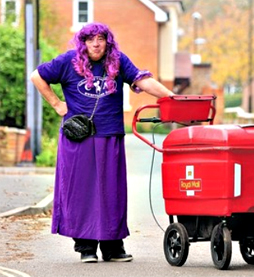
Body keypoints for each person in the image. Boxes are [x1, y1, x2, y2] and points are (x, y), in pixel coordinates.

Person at [30, 22, 174, 263]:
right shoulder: (67, 61)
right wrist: (57, 104)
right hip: (78, 139)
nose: (96, 44)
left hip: (109, 135)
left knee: (111, 192)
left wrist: (173, 97)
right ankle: (85, 247)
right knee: (81, 192)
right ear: (83, 42)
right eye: (90, 39)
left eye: (100, 39)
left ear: (108, 41)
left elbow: (143, 81)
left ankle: (112, 247)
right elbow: (37, 76)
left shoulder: (118, 61)